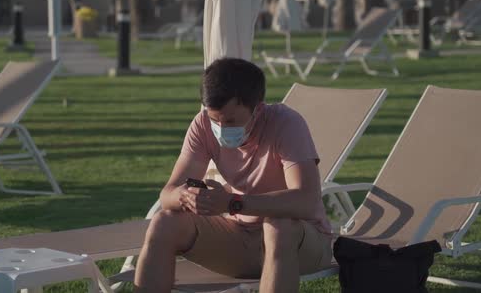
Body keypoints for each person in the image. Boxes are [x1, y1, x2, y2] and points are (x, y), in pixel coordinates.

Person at [134, 58, 333, 293]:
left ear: (257, 109)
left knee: (277, 226)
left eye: (230, 121)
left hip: (302, 244)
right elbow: (167, 195)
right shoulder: (202, 125)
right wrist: (187, 197)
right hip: (238, 238)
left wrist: (232, 203)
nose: (221, 128)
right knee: (163, 222)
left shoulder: (286, 124)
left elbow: (307, 201)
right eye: (214, 119)